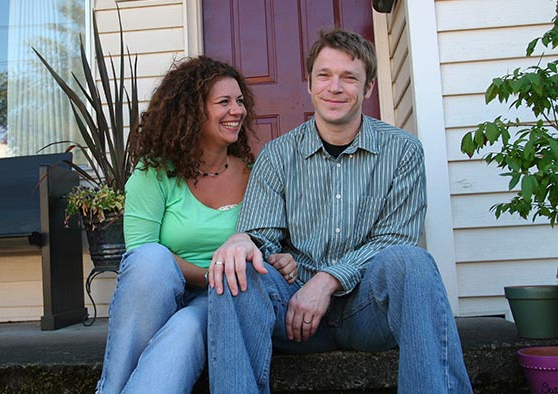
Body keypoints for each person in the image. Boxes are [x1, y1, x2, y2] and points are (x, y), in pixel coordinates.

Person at [206, 29, 473, 393]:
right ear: (309, 83)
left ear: (368, 89)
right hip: (294, 312)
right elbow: (259, 236)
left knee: (412, 261)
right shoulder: (277, 155)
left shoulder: (403, 151)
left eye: (349, 77)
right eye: (324, 75)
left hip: (367, 312)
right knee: (234, 269)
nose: (335, 87)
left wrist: (327, 279)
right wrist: (261, 250)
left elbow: (395, 238)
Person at [95, 56, 299, 393]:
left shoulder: (255, 173)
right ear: (191, 111)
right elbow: (140, 257)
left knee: (187, 327)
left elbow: (270, 238)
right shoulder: (153, 173)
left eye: (240, 101)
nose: (238, 110)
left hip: (222, 299)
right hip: (161, 294)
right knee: (149, 259)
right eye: (224, 102)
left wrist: (278, 258)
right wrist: (210, 272)